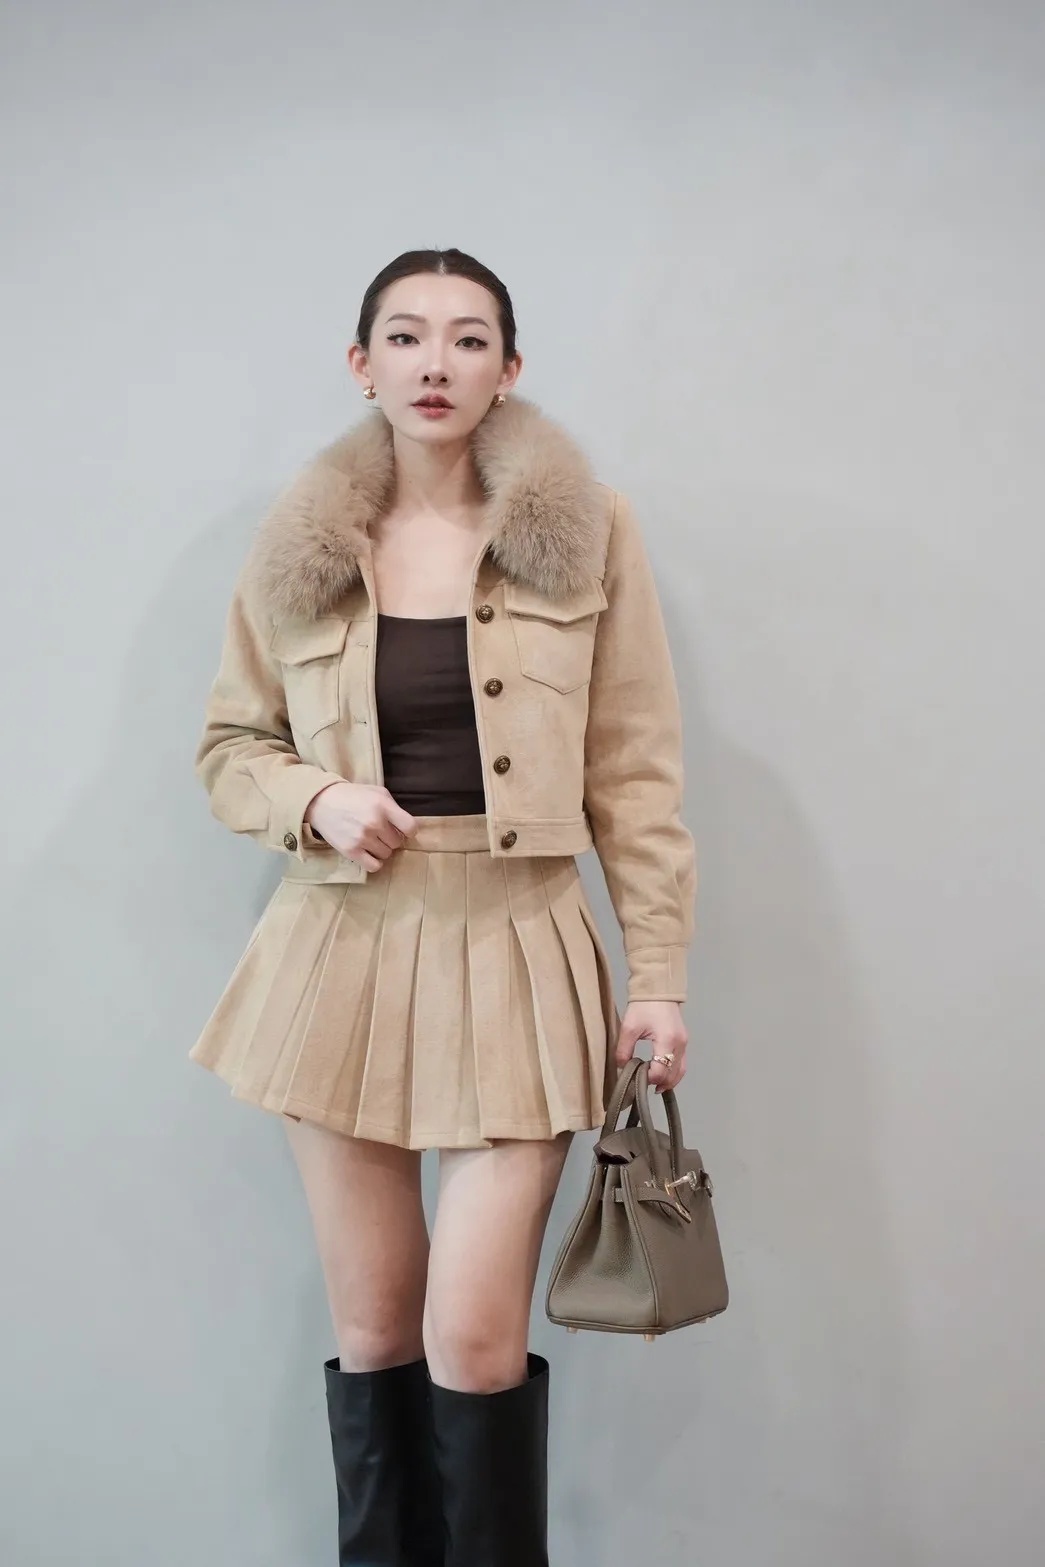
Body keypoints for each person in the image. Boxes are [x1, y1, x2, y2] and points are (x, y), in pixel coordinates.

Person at [189, 247, 696, 1566]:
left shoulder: (590, 530)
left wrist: (657, 975)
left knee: (472, 1341)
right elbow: (230, 746)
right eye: (406, 336)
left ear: (508, 369)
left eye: (470, 339)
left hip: (518, 946)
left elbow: (635, 772)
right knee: (376, 1335)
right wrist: (313, 797)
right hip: (339, 954)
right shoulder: (302, 537)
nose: (436, 363)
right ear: (361, 364)